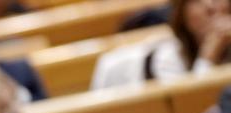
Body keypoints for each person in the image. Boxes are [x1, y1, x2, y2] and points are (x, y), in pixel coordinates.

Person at [91, 0, 230, 88]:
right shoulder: (166, 58)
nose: (210, 6)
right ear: (181, 12)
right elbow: (189, 110)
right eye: (196, 0)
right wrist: (208, 56)